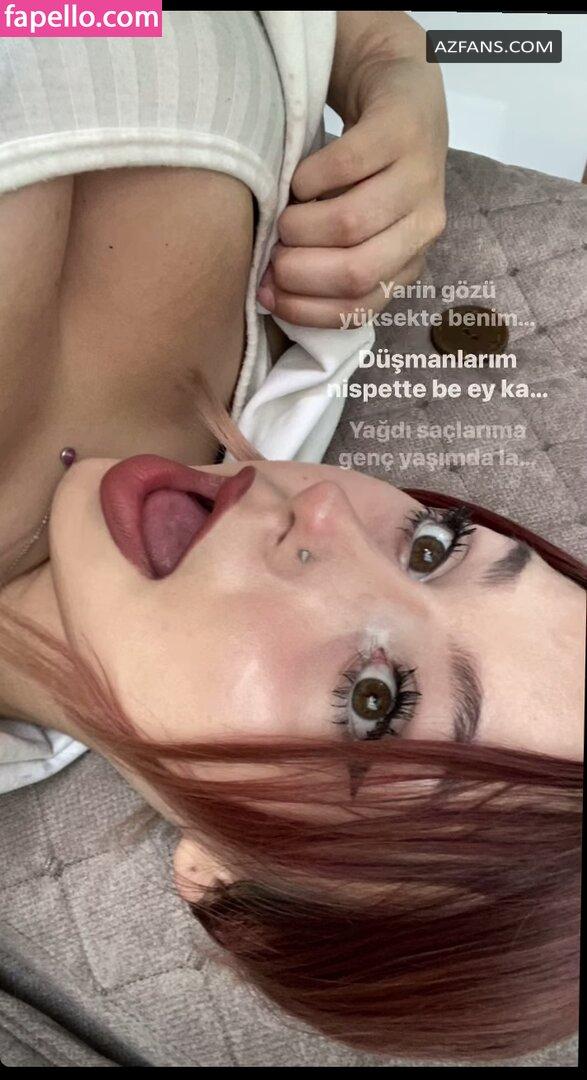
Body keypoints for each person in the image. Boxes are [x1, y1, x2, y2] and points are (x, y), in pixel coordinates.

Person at [0, 10, 582, 1065]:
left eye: (374, 700)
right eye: (433, 549)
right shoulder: (304, 354)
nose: (327, 517)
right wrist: (387, 67)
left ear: (219, 879)